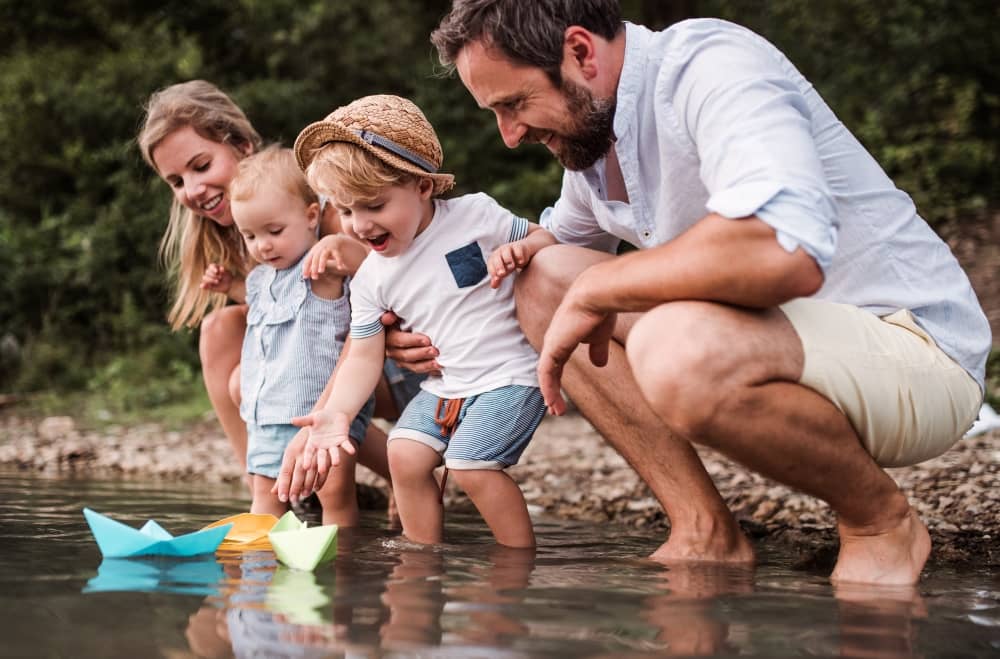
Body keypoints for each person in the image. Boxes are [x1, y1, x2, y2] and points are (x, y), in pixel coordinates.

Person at [425, 0, 990, 585]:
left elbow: (781, 249)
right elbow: (547, 260)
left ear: (580, 53)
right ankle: (704, 530)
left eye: (514, 104)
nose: (511, 136)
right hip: (786, 346)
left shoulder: (710, 65)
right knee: (544, 282)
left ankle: (879, 522)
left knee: (676, 348)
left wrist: (602, 285)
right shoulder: (593, 145)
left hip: (915, 355)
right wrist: (419, 331)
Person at [283, 94, 557, 547]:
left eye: (374, 205)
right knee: (403, 455)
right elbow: (363, 357)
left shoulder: (476, 216)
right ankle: (421, 557)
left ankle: (517, 562)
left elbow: (546, 238)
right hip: (445, 386)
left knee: (471, 465)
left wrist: (524, 250)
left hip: (509, 374)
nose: (359, 225)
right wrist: (337, 413)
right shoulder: (371, 277)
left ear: (423, 187)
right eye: (346, 210)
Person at [137, 80, 419, 497]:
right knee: (221, 331)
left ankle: (393, 478)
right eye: (176, 181)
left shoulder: (326, 214)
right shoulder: (247, 237)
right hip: (332, 371)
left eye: (200, 166)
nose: (192, 190)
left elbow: (379, 308)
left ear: (243, 146)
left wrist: (322, 409)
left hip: (398, 361)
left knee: (284, 389)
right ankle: (267, 487)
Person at [219, 144, 374, 524]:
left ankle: (345, 566)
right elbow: (268, 314)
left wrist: (343, 246)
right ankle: (258, 573)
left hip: (318, 412)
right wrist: (231, 288)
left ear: (310, 216)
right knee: (266, 499)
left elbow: (375, 274)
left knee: (335, 497)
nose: (263, 245)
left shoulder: (321, 266)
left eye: (274, 231)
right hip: (266, 414)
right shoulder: (257, 280)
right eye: (250, 236)